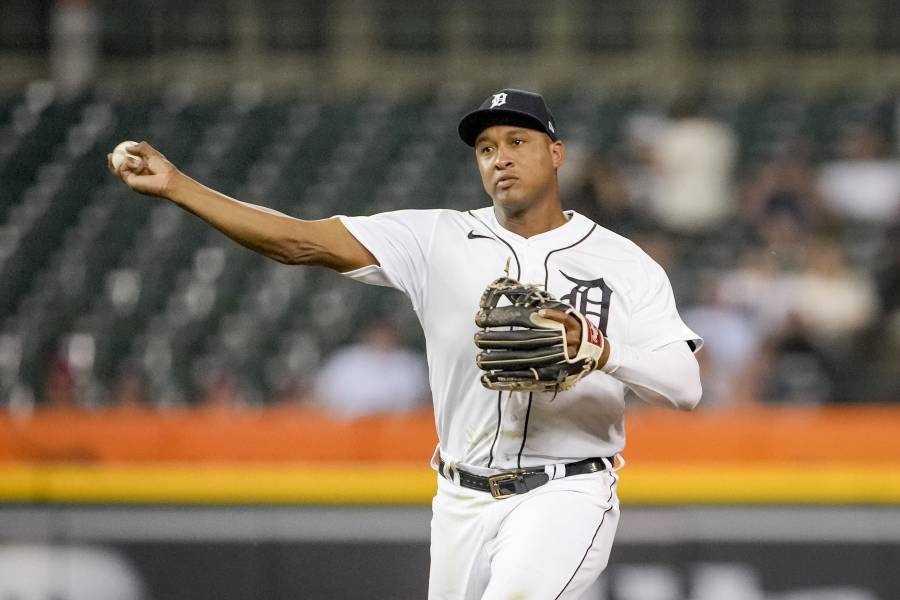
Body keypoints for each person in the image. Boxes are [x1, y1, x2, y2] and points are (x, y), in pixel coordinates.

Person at [109, 88, 702, 600]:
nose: (500, 158)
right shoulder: (435, 238)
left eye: (517, 141)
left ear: (555, 153)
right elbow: (297, 241)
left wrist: (603, 352)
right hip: (461, 495)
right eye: (486, 147)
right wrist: (179, 186)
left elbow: (686, 385)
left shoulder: (623, 262)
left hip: (568, 487)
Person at [313, 321, 429, 418]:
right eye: (378, 333)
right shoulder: (346, 361)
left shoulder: (411, 363)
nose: (382, 338)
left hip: (399, 431)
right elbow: (322, 395)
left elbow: (422, 401)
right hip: (350, 430)